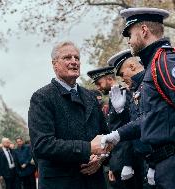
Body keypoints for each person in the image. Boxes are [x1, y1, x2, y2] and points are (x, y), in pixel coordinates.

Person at [97, 8, 175, 189]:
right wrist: (117, 135)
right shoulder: (154, 64)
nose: (129, 41)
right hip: (166, 162)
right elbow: (152, 117)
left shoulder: (165, 61)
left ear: (144, 31)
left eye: (130, 35)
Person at [28, 41, 109, 189]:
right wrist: (87, 149)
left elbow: (105, 136)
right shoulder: (42, 97)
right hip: (61, 182)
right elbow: (42, 144)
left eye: (76, 58)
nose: (74, 62)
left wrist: (100, 158)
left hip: (94, 181)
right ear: (55, 64)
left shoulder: (90, 97)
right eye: (67, 57)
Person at [108, 49, 155, 188]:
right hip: (145, 160)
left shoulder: (148, 84)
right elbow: (132, 125)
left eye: (122, 74)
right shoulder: (137, 89)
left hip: (157, 159)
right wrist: (120, 112)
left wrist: (153, 162)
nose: (122, 79)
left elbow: (152, 123)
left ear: (132, 67)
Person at [87, 66, 138, 189]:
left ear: (109, 79)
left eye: (99, 83)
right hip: (118, 161)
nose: (98, 88)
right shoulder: (113, 97)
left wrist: (128, 162)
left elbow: (129, 128)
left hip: (126, 161)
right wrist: (112, 164)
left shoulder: (123, 94)